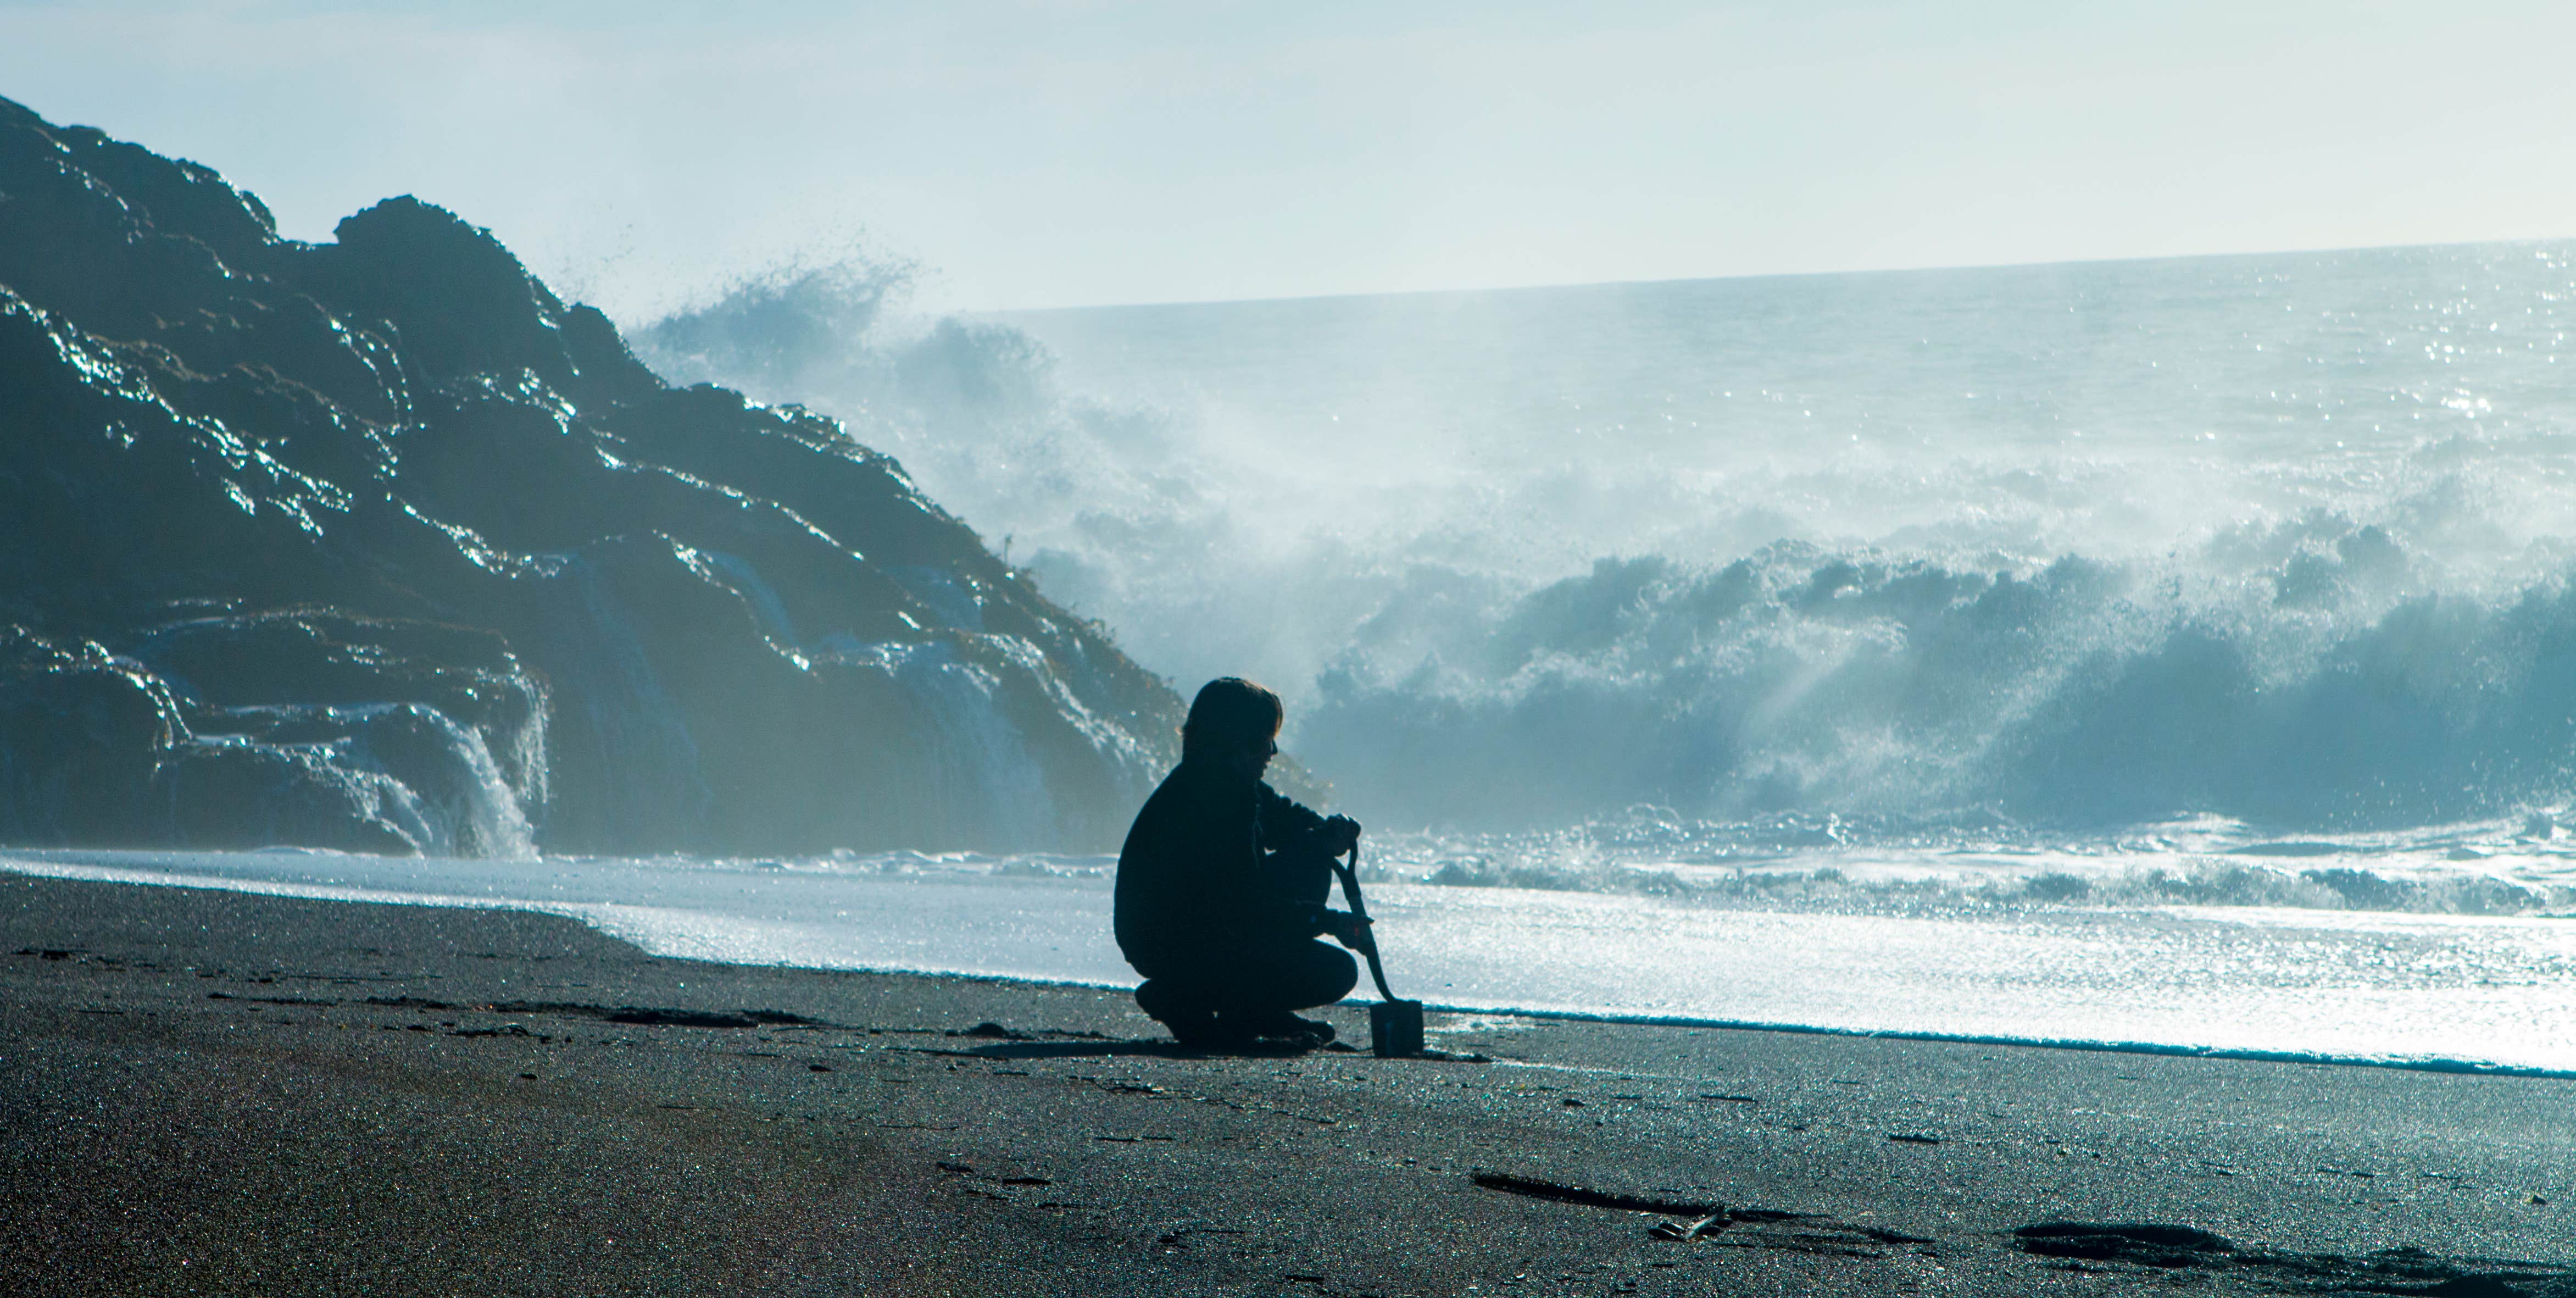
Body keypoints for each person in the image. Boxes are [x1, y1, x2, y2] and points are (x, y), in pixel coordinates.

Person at [1114, 678, 1368, 1049]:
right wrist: (1328, 921)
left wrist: (1329, 834)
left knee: (1313, 852)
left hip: (1191, 936)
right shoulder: (1212, 803)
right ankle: (1190, 998)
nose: (1273, 751)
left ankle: (1244, 1009)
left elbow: (1292, 824)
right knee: (1335, 971)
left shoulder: (1229, 785)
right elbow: (1245, 907)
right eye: (1266, 738)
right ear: (1240, 741)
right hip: (1173, 946)